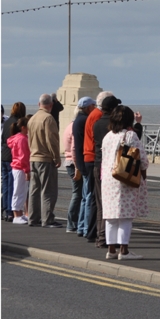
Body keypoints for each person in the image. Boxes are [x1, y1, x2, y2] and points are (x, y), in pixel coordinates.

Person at [100, 105, 148, 260]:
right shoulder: (130, 135)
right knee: (125, 216)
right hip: (124, 178)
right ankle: (124, 251)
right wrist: (143, 171)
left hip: (107, 178)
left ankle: (111, 250)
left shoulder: (107, 136)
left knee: (111, 217)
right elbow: (141, 158)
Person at [88, 94, 122, 246]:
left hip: (97, 163)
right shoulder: (113, 125)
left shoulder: (96, 123)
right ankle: (109, 239)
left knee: (101, 203)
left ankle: (100, 237)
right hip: (111, 165)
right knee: (114, 205)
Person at [83, 91, 115, 244]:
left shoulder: (95, 117)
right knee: (98, 201)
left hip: (93, 158)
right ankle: (95, 233)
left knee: (95, 199)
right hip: (96, 159)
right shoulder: (99, 118)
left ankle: (94, 232)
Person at [27, 93, 62, 228]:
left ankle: (33, 218)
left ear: (39, 104)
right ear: (51, 105)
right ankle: (47, 219)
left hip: (33, 157)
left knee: (34, 189)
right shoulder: (48, 118)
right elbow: (51, 140)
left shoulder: (32, 119)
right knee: (48, 190)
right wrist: (56, 157)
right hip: (45, 158)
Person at [64, 98, 93, 233]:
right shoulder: (81, 123)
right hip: (75, 162)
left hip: (71, 161)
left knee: (80, 195)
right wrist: (77, 167)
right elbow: (75, 148)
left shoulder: (71, 124)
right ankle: (74, 224)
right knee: (80, 195)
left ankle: (78, 224)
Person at [70, 97, 98, 237]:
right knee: (88, 197)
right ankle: (87, 227)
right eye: (94, 105)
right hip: (87, 162)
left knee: (84, 197)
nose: (95, 107)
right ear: (88, 107)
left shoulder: (77, 120)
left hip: (82, 162)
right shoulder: (85, 120)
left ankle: (81, 226)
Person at [2, 102, 26, 222]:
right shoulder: (18, 123)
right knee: (14, 186)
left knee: (6, 185)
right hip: (13, 158)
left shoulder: (6, 122)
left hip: (4, 155)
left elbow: (3, 139)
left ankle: (7, 210)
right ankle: (13, 211)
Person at [7, 117, 31, 224]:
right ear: (23, 127)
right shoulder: (22, 139)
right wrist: (26, 170)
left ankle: (19, 213)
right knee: (19, 191)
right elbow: (23, 156)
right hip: (20, 168)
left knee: (21, 191)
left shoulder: (18, 138)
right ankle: (17, 214)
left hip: (17, 167)